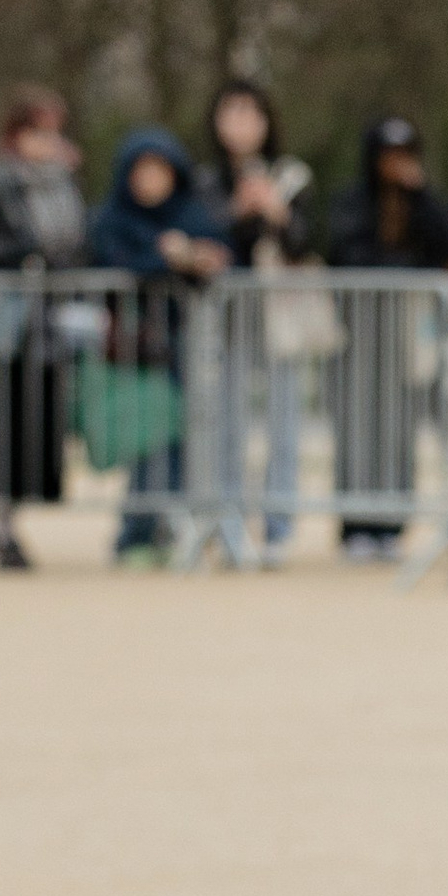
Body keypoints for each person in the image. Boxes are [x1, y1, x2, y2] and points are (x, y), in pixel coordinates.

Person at [0, 88, 90, 569]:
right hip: (1, 328)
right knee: (1, 428)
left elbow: (76, 246)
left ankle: (19, 515)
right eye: (38, 131)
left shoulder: (64, 187)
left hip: (47, 327)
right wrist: (18, 257)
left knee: (38, 428)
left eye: (53, 131)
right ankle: (3, 527)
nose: (48, 141)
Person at [86, 129, 227, 563]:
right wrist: (165, 258)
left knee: (183, 438)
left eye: (159, 170)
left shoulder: (191, 213)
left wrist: (202, 258)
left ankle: (166, 528)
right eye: (142, 170)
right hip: (135, 349)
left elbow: (222, 254)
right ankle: (137, 533)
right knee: (148, 439)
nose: (150, 180)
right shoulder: (112, 217)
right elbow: (113, 262)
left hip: (185, 343)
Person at [329, 114, 448, 559]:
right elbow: (348, 255)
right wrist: (410, 269)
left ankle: (393, 523)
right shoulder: (352, 202)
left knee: (402, 425)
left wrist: (421, 194)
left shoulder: (421, 201)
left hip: (408, 330)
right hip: (359, 331)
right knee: (358, 424)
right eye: (389, 154)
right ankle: (355, 524)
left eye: (405, 154)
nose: (397, 163)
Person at [200, 80, 320, 563]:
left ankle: (277, 527)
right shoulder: (207, 181)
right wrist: (236, 213)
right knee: (227, 425)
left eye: (251, 112)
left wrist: (276, 213)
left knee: (284, 423)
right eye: (232, 112)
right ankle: (228, 524)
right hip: (228, 319)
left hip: (280, 316)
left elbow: (306, 242)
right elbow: (206, 240)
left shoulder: (292, 177)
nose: (242, 123)